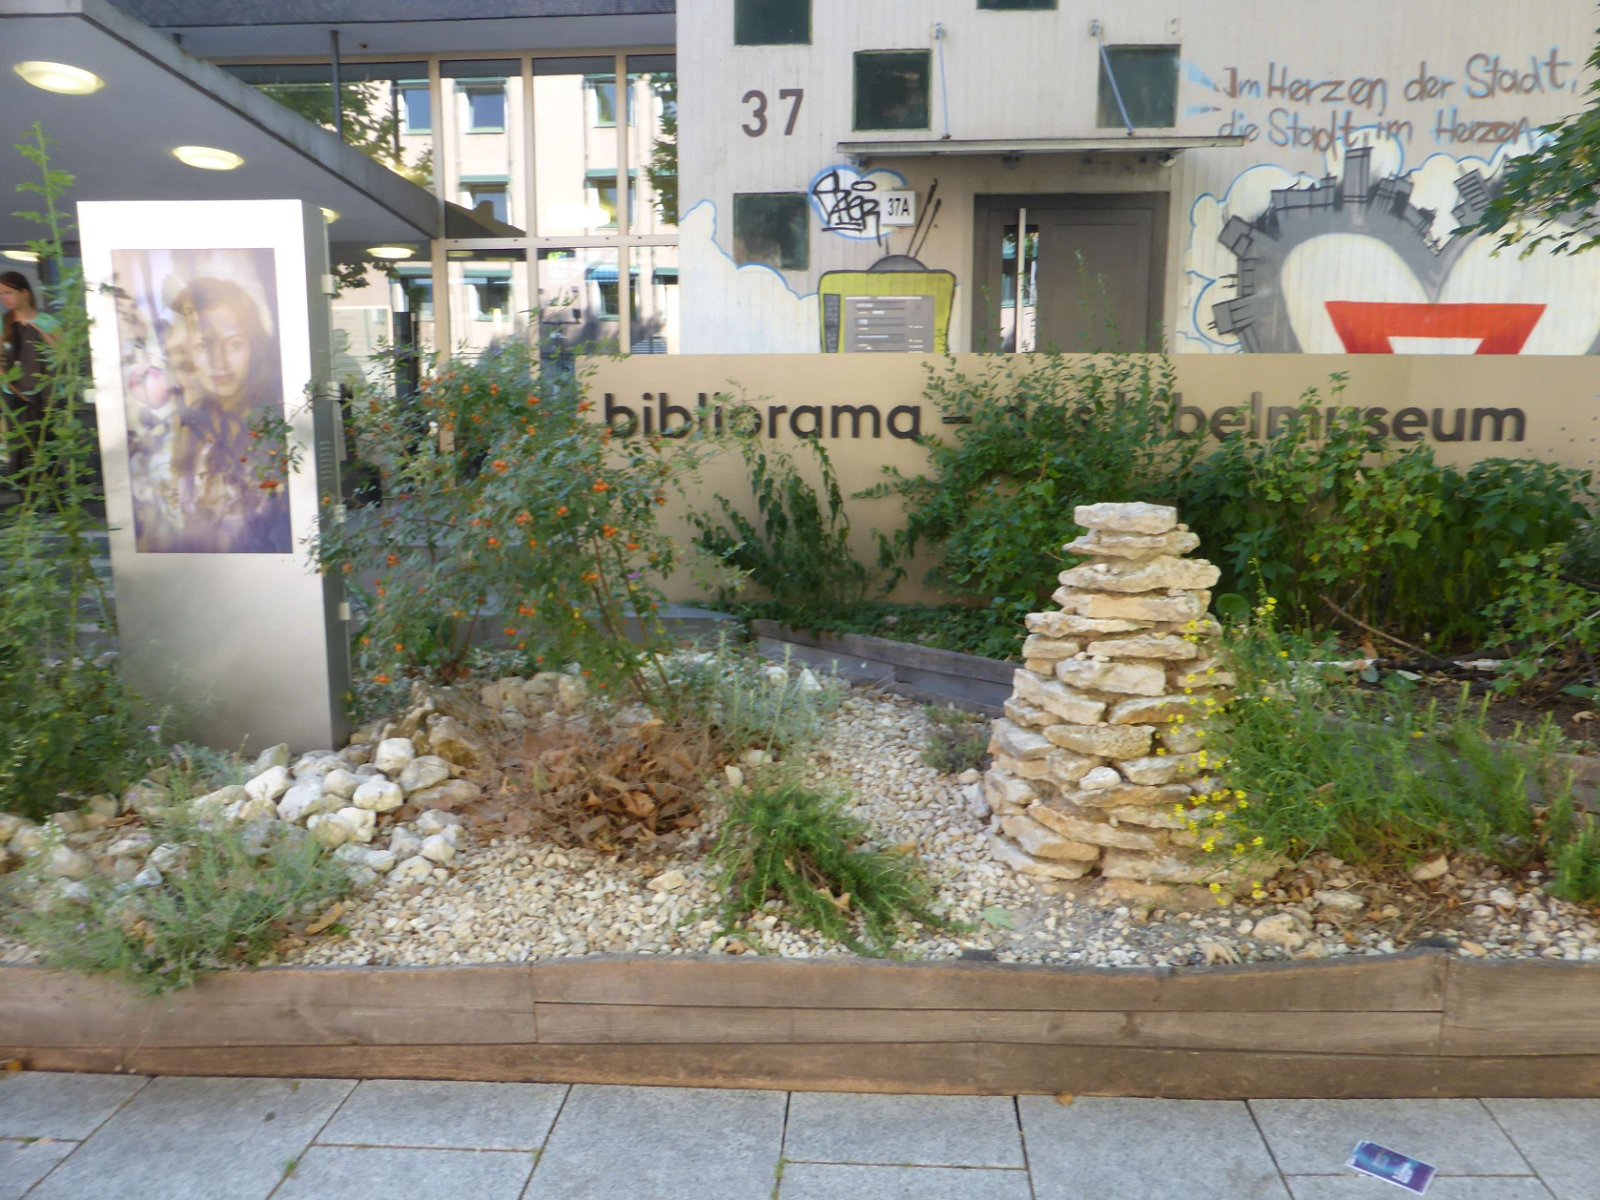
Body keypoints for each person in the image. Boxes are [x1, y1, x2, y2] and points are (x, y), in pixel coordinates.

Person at [151, 276, 291, 553]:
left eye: (235, 344)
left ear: (254, 347)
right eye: (204, 346)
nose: (220, 363)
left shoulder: (274, 422)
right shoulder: (186, 425)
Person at [0, 270, 62, 486]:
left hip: (44, 393)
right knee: (19, 445)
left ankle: (55, 497)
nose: (4, 298)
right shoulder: (4, 323)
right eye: (1, 294)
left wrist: (41, 332)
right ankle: (25, 497)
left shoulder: (46, 320)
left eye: (8, 292)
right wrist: (9, 385)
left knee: (46, 442)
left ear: (24, 293)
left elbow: (63, 354)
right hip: (13, 394)